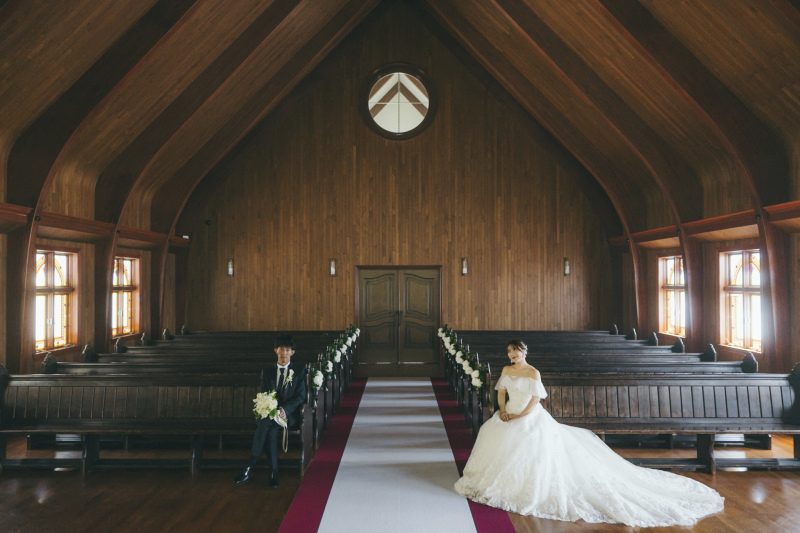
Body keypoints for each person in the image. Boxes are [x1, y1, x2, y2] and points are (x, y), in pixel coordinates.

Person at [454, 339, 724, 527]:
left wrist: (517, 416)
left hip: (527, 416)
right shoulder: (505, 369)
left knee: (532, 452)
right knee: (496, 437)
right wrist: (502, 411)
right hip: (507, 414)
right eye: (510, 352)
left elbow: (535, 402)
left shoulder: (533, 373)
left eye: (516, 352)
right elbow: (501, 393)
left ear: (524, 351)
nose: (513, 356)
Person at [234, 334, 307, 489]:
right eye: (281, 349)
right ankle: (274, 473)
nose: (284, 353)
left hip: (290, 416)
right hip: (270, 414)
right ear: (276, 351)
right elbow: (264, 395)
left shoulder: (299, 371)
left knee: (266, 425)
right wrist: (271, 409)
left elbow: (300, 397)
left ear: (292, 352)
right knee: (271, 428)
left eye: (288, 350)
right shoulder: (267, 372)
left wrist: (284, 409)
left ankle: (250, 466)